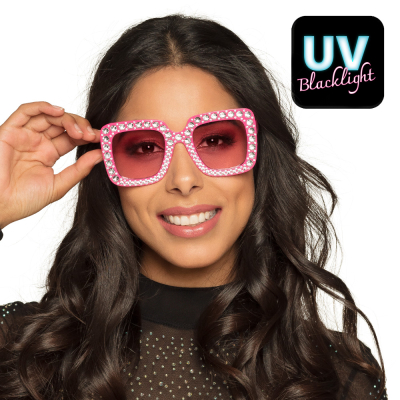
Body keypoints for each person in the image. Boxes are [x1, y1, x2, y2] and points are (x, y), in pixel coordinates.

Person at [0, 13, 388, 400]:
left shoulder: (335, 377)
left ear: (259, 155)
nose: (184, 180)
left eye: (215, 141)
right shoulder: (19, 350)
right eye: (146, 147)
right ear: (107, 163)